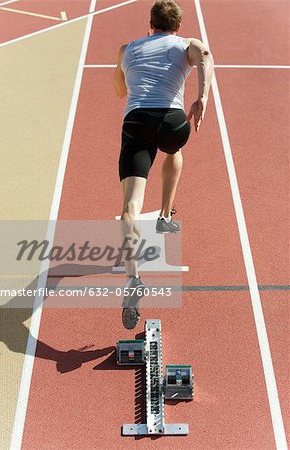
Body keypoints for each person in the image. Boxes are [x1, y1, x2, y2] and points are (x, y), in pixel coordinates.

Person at [114, 0, 214, 329]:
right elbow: (205, 56)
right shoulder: (186, 45)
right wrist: (201, 98)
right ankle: (164, 215)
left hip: (137, 122)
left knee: (129, 208)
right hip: (172, 121)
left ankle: (133, 279)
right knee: (174, 152)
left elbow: (119, 90)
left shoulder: (128, 48)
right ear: (178, 26)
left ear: (151, 23)